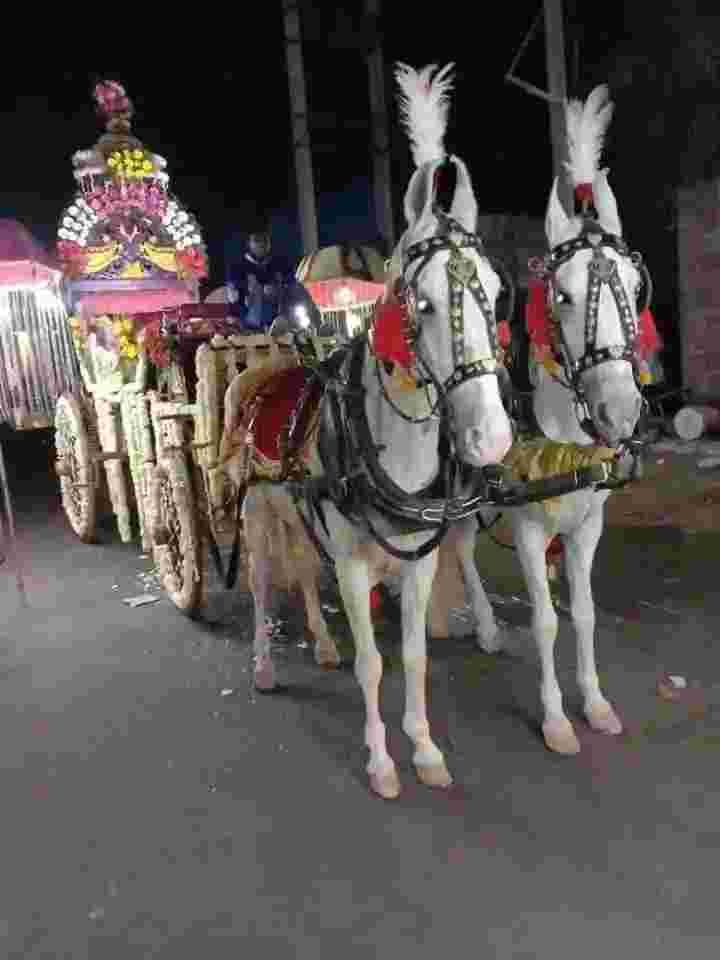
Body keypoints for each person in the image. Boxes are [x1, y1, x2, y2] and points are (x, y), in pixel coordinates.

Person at [226, 227, 295, 331]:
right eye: (257, 240)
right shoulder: (237, 267)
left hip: (276, 324)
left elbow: (292, 288)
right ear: (248, 243)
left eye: (265, 240)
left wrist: (278, 289)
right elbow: (233, 298)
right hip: (246, 324)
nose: (261, 244)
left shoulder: (280, 264)